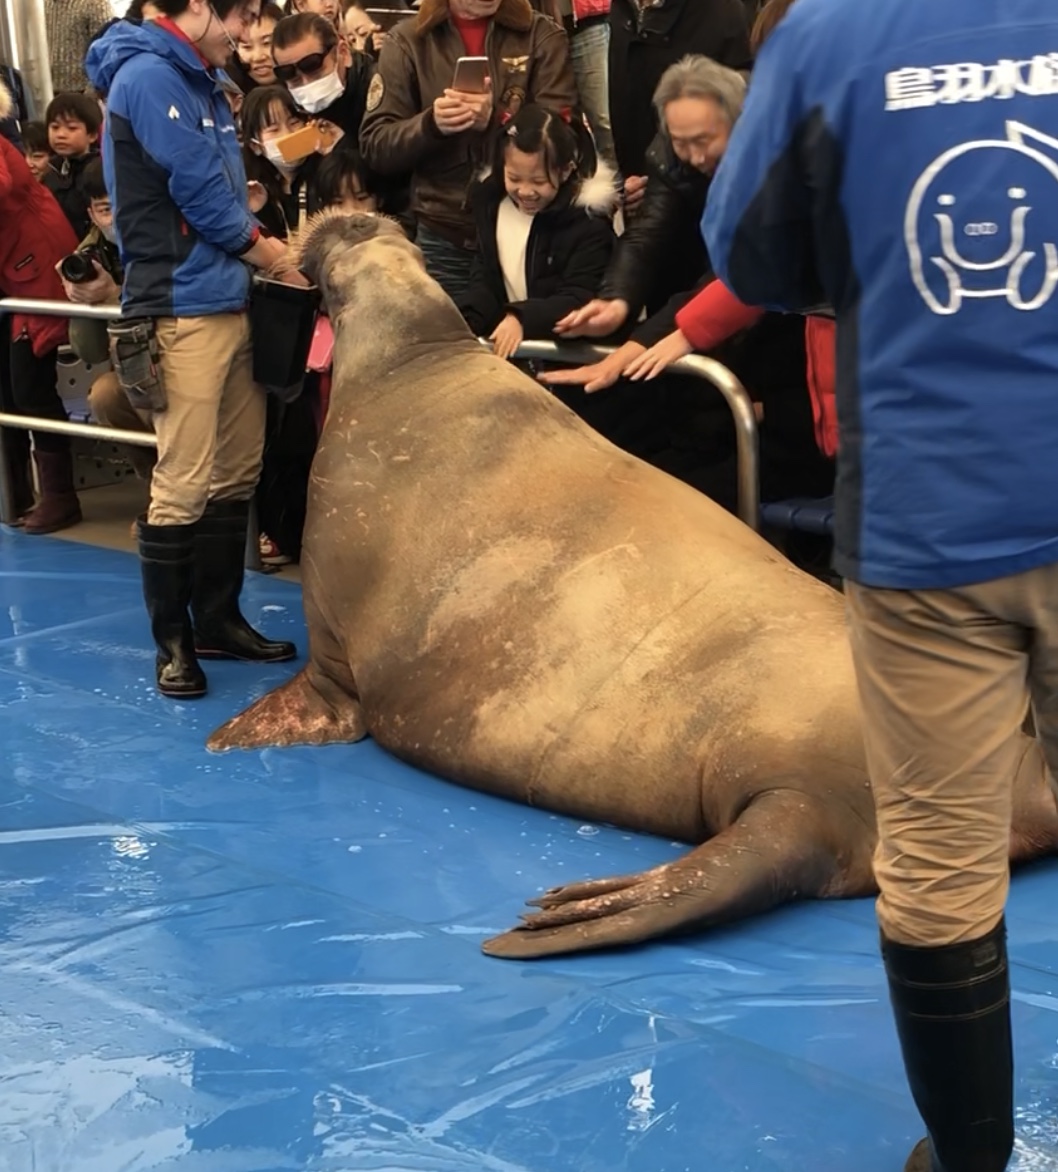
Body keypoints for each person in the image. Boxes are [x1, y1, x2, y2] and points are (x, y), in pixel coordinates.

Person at [702, 1, 1058, 1170]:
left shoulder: (826, 37)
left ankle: (967, 1158)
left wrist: (866, 266)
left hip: (930, 515)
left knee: (939, 866)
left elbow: (747, 249)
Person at [85, 0, 305, 701]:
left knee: (237, 467)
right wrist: (277, 256)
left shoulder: (204, 81)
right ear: (197, 9)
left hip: (230, 296)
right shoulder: (148, 77)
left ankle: (217, 619)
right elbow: (204, 198)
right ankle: (172, 642)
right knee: (183, 473)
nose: (245, 37)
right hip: (182, 303)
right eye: (238, 19)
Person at [359, 0, 578, 299]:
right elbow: (376, 145)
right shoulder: (408, 40)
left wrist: (497, 121)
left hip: (530, 230)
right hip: (446, 232)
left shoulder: (541, 35)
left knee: (524, 340)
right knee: (448, 342)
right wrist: (430, 125)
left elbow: (564, 140)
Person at [458, 104, 617, 358]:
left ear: (566, 170)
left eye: (539, 181)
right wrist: (467, 318)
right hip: (511, 353)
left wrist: (522, 318)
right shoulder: (491, 204)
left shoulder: (588, 224)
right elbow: (486, 276)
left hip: (567, 359)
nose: (525, 192)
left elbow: (579, 296)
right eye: (514, 178)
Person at [0, 79, 83, 534]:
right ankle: (24, 492)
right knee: (13, 390)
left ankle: (60, 496)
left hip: (37, 270)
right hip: (17, 272)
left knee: (30, 385)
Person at [608, 0, 751, 214]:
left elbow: (741, 113)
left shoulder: (722, 11)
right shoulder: (624, 7)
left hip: (703, 199)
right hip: (637, 187)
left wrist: (661, 181)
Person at [272, 11, 377, 139]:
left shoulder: (382, 90)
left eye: (312, 66)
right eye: (291, 76)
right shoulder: (290, 113)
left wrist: (342, 148)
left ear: (343, 53)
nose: (306, 82)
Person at [42, 92, 103, 240]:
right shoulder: (50, 170)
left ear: (92, 135)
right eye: (55, 127)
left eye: (71, 128)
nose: (61, 135)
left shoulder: (99, 172)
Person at [44, 0, 116, 93]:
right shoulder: (44, 5)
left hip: (82, 92)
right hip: (49, 90)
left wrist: (92, 90)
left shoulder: (96, 4)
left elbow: (106, 52)